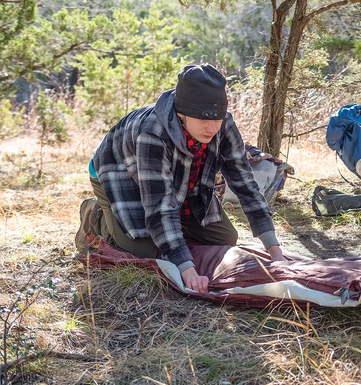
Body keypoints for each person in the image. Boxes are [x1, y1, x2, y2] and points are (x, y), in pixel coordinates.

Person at [76, 64, 285, 293]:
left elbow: (245, 185)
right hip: (120, 173)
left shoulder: (222, 124)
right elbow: (160, 206)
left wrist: (275, 252)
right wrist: (187, 269)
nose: (212, 127)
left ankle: (170, 235)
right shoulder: (152, 132)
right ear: (182, 112)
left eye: (217, 119)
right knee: (145, 251)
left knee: (226, 238)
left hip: (179, 178)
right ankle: (97, 214)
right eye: (203, 120)